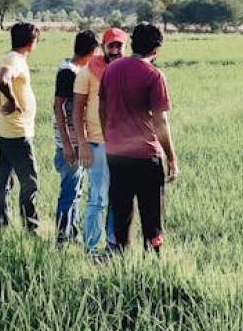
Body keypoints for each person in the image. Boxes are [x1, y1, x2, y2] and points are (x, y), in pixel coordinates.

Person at [100, 22, 177, 255]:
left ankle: (120, 260)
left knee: (121, 214)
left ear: (132, 44)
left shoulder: (111, 69)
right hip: (146, 157)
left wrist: (109, 138)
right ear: (156, 49)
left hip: (116, 156)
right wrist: (171, 158)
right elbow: (160, 122)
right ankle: (152, 262)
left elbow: (102, 108)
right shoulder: (154, 75)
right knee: (152, 218)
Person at [73, 27, 125, 257]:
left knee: (118, 199)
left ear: (125, 47)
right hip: (98, 144)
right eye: (110, 45)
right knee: (98, 199)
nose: (114, 50)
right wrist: (82, 144)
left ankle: (112, 246)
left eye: (119, 46)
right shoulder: (88, 72)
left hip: (123, 146)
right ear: (103, 47)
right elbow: (77, 111)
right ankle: (91, 249)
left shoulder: (127, 71)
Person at [0, 22, 40, 232]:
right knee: (30, 182)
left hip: (7, 129)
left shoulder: (10, 57)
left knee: (4, 178)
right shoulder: (14, 60)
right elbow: (3, 79)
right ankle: (31, 228)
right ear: (31, 42)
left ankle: (1, 223)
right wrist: (13, 101)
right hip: (17, 132)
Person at [53, 29, 97, 245]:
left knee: (77, 191)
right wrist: (67, 145)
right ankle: (62, 239)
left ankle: (72, 234)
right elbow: (58, 107)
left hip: (77, 141)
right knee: (69, 193)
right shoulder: (68, 72)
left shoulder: (76, 70)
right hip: (70, 143)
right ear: (93, 51)